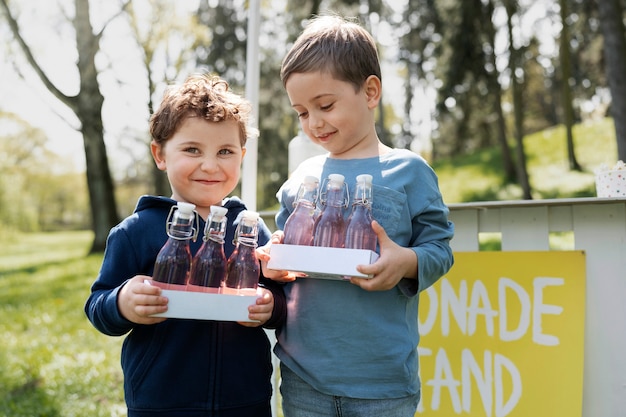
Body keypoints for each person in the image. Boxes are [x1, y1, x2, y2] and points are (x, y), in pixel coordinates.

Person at [261, 15, 455, 417]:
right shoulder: (299, 180)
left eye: (325, 105)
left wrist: (406, 262)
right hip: (302, 378)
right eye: (301, 112)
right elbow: (279, 259)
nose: (314, 123)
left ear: (369, 92)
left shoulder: (409, 172)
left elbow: (440, 249)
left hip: (382, 383)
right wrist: (272, 265)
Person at [84, 74, 286, 417]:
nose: (210, 165)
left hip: (245, 400)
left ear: (242, 156)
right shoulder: (136, 231)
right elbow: (97, 305)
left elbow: (284, 300)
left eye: (225, 152)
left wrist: (270, 306)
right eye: (192, 150)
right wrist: (121, 301)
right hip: (161, 401)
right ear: (160, 154)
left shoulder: (251, 230)